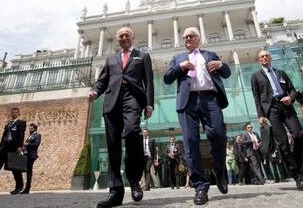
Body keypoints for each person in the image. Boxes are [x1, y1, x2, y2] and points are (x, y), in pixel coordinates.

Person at [164, 27, 231, 205]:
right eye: (185, 36)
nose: (187, 38)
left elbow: (227, 73)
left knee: (218, 135)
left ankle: (219, 172)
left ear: (198, 39)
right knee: (190, 141)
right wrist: (181, 67)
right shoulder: (178, 58)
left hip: (210, 99)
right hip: (188, 102)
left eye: (191, 36)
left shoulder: (210, 54)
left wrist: (221, 65)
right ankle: (200, 186)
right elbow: (167, 78)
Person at [89, 27, 154, 208]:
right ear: (118, 40)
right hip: (112, 101)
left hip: (132, 98)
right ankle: (115, 192)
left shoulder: (143, 56)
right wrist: (95, 91)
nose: (124, 37)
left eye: (127, 35)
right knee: (113, 146)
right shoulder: (111, 59)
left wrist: (149, 104)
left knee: (133, 132)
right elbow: (102, 80)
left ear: (132, 37)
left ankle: (134, 180)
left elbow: (149, 81)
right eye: (121, 36)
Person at [251, 50, 303, 191]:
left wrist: (291, 98)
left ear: (270, 58)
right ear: (259, 60)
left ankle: (297, 163)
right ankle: (298, 177)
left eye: (267, 55)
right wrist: (261, 115)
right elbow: (256, 96)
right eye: (262, 56)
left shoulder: (281, 73)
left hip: (286, 105)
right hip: (271, 109)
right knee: (283, 143)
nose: (265, 58)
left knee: (299, 134)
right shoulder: (256, 76)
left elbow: (292, 90)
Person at [20, 123, 41, 194]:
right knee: (26, 171)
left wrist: (27, 144)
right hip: (26, 154)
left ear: (35, 129)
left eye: (31, 128)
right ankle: (25, 188)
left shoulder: (37, 135)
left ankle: (27, 189)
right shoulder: (30, 136)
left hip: (31, 155)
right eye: (29, 128)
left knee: (29, 172)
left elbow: (36, 144)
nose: (30, 129)